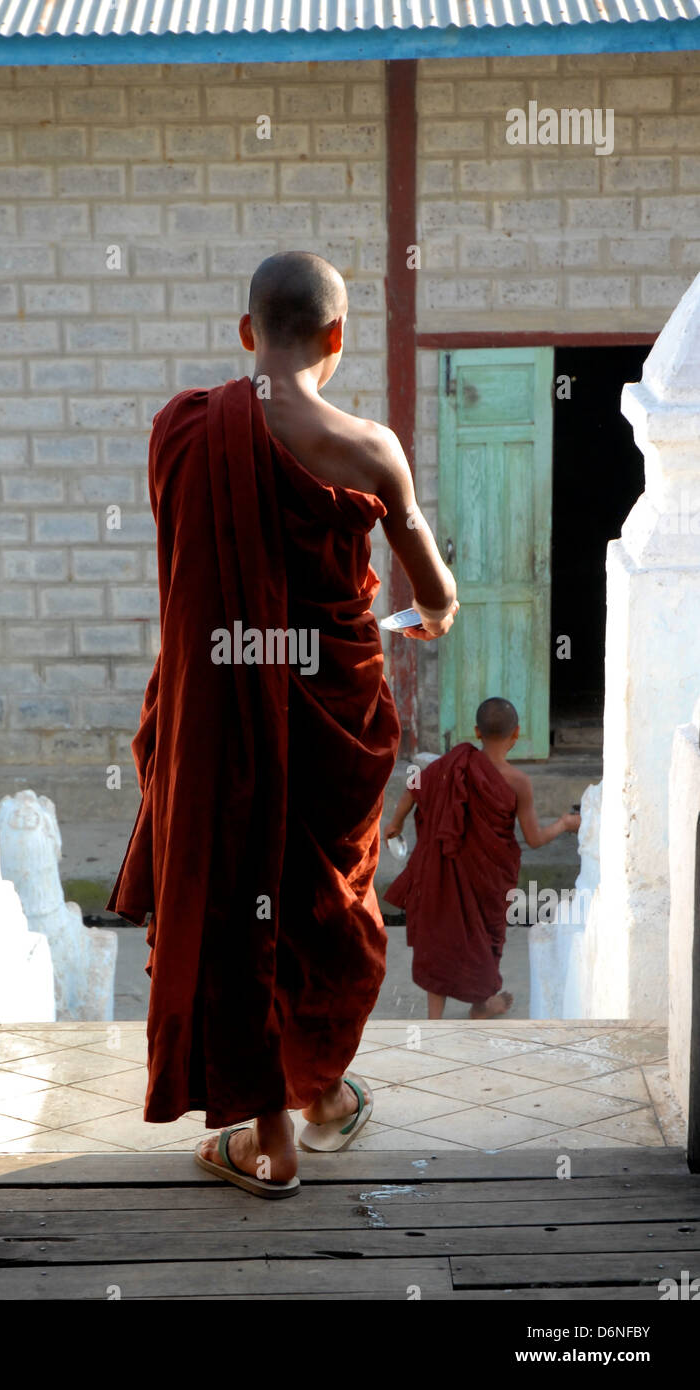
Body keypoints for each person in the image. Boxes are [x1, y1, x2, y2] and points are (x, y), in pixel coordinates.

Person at [106, 250, 457, 1197]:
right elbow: (435, 592)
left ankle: (274, 1133)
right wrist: (432, 610)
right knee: (318, 902)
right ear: (337, 339)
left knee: (238, 888)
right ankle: (322, 1102)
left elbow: (192, 576)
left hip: (222, 711)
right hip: (329, 720)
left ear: (246, 334)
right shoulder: (371, 449)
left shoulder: (184, 430)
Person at [383, 696, 580, 1021]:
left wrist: (395, 821)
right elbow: (533, 838)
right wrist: (565, 823)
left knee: (441, 933)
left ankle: (436, 1017)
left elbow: (414, 784)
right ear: (516, 735)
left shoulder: (453, 762)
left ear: (476, 731)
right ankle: (481, 1004)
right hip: (488, 876)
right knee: (484, 935)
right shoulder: (518, 782)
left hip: (446, 872)